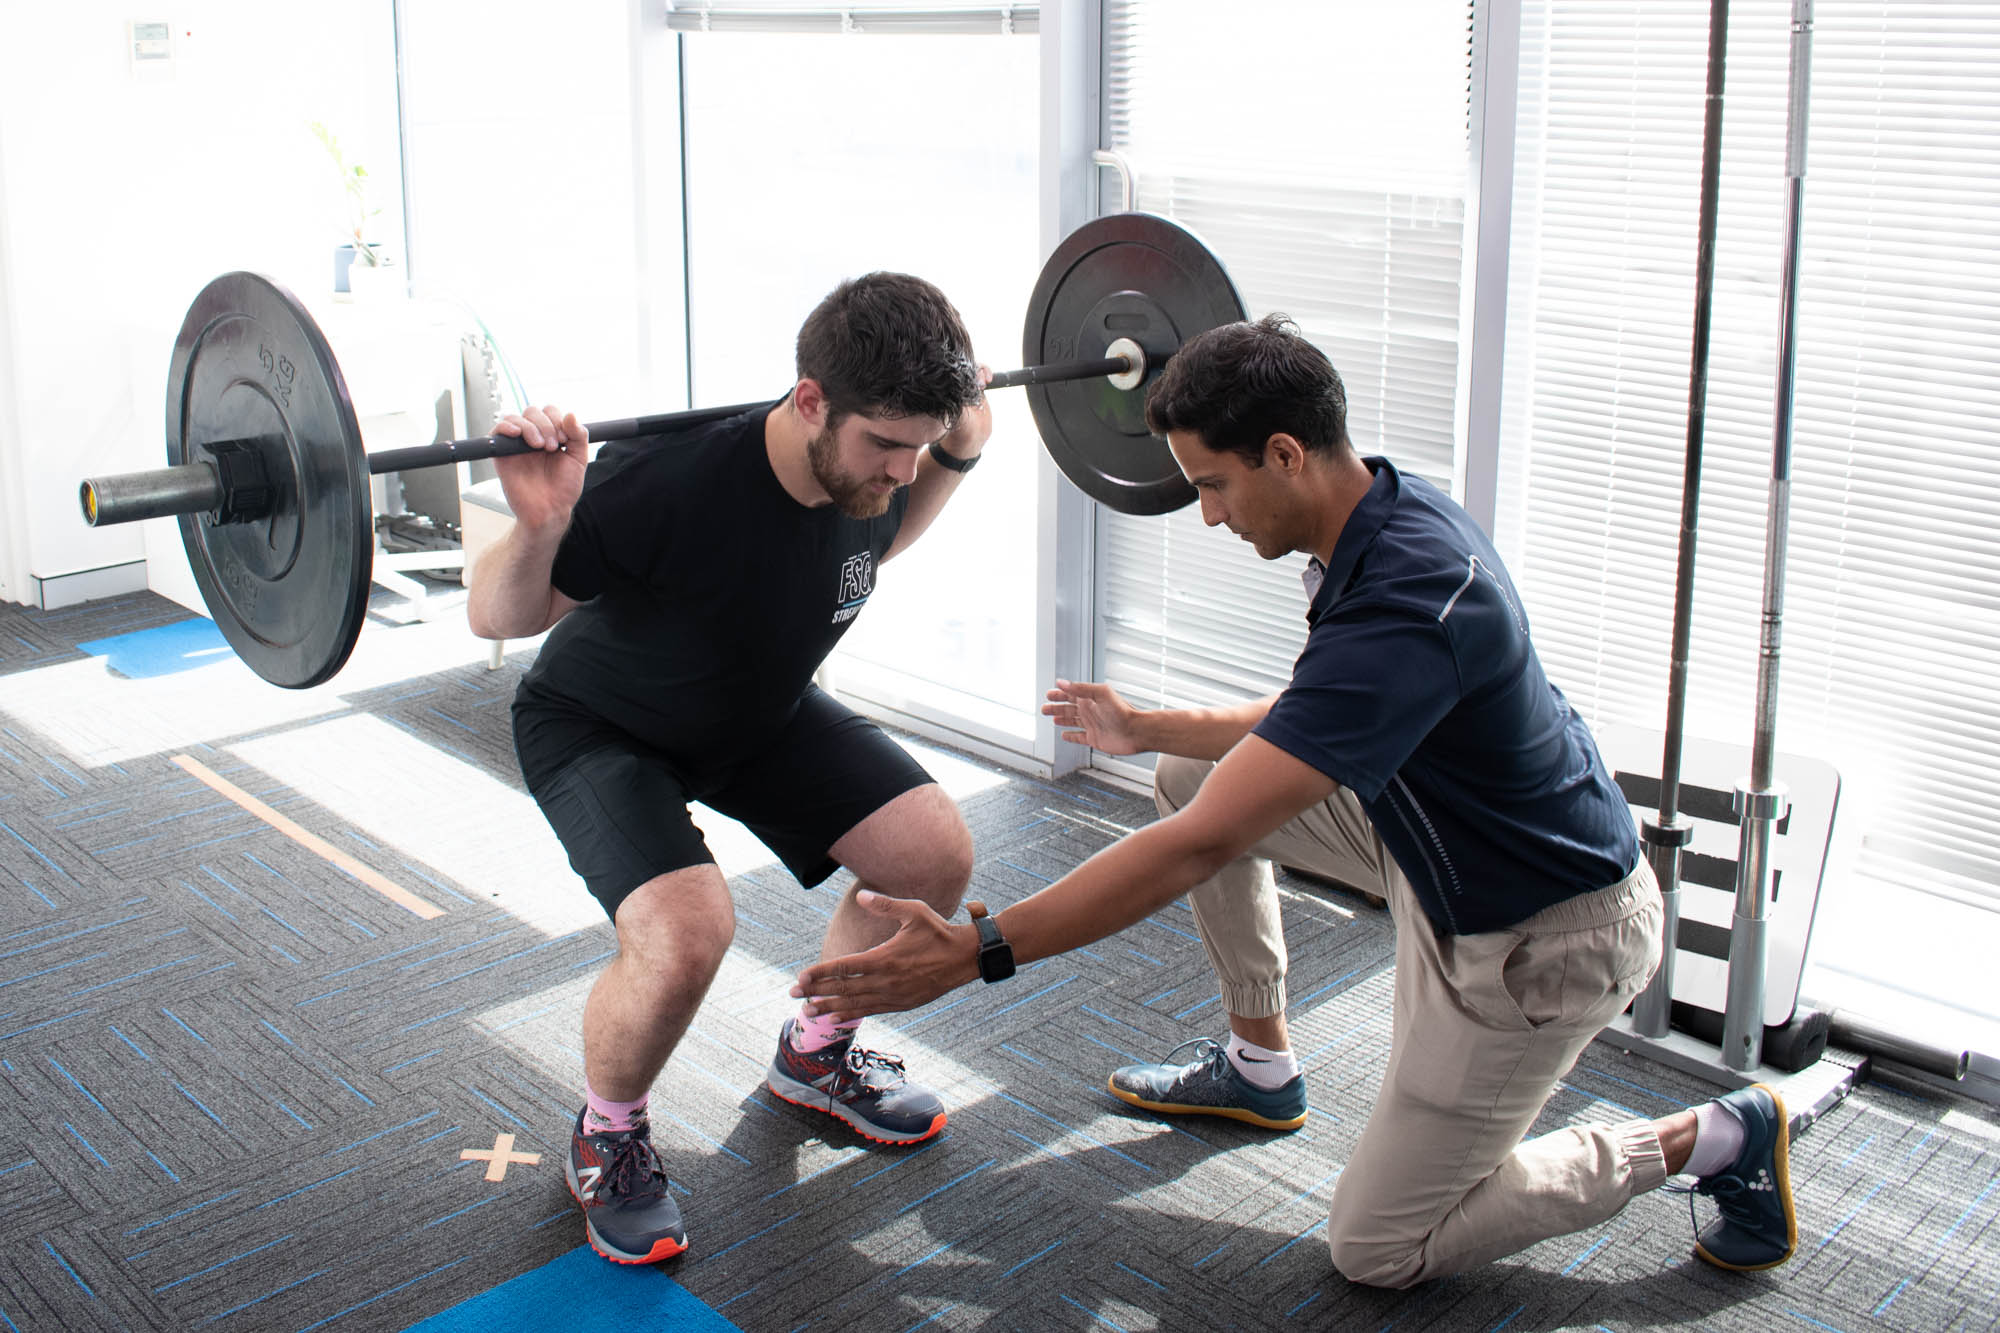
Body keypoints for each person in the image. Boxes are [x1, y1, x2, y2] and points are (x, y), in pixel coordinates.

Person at [790, 314, 1796, 1288]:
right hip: (1432, 835)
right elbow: (1319, 713)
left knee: (1379, 1247)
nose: (1210, 515)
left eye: (1213, 486)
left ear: (1282, 453)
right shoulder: (1377, 513)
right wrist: (1152, 730)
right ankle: (1260, 1064)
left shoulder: (1412, 595)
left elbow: (1199, 846)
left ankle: (1710, 1136)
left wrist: (979, 949)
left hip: (1537, 930)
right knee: (1192, 775)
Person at [467, 272, 994, 1266]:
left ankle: (815, 1053)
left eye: (919, 444)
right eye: (885, 444)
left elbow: (875, 543)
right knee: (687, 930)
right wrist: (538, 526)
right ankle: (607, 1133)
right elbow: (498, 619)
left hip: (755, 707)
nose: (899, 469)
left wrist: (956, 453)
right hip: (601, 723)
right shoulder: (664, 479)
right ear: (807, 402)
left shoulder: (872, 471)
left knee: (929, 854)